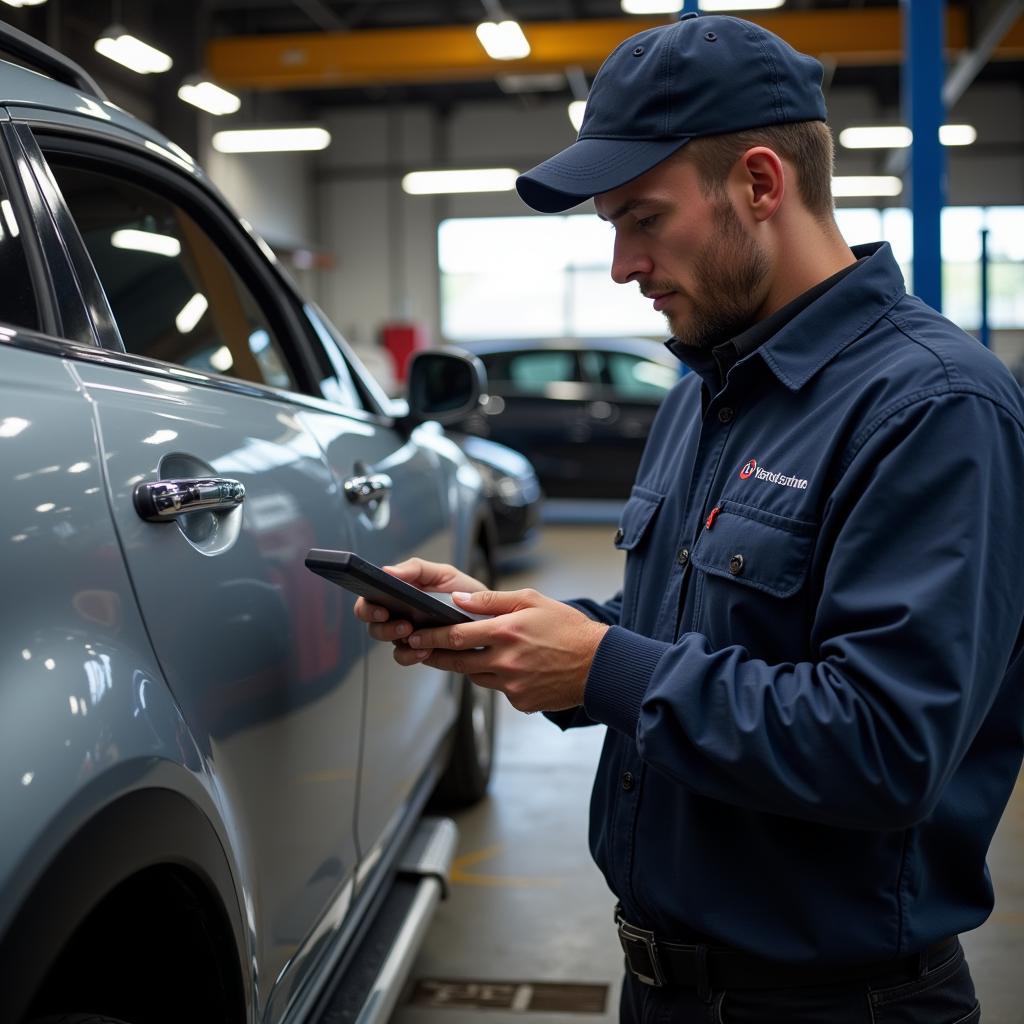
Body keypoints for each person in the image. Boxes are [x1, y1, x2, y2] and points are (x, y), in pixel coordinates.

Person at [356, 12, 1024, 1022]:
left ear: (761, 184)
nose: (623, 265)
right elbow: (694, 626)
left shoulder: (932, 407)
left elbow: (886, 746)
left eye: (642, 218)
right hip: (661, 987)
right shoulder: (706, 388)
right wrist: (512, 625)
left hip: (832, 1004)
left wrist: (601, 666)